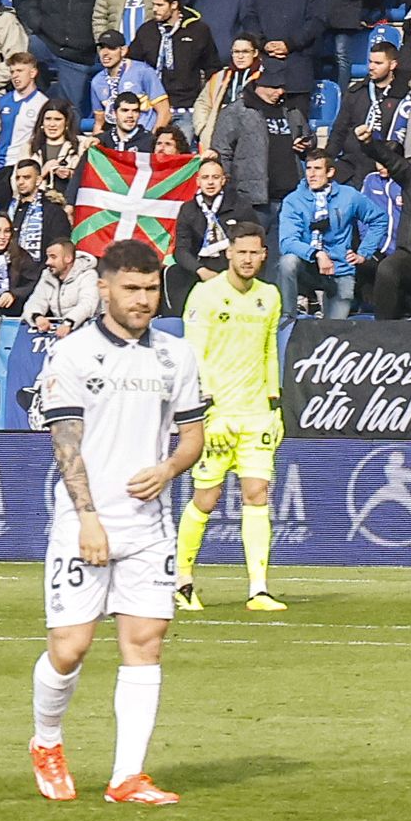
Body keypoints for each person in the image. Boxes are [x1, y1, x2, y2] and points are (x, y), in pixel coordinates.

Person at [30, 245, 207, 808]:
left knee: (145, 642)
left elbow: (193, 435)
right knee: (71, 646)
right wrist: (87, 518)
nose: (143, 300)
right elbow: (65, 444)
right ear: (104, 288)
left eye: (151, 289)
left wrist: (170, 467)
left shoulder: (176, 356)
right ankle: (47, 741)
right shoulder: (73, 354)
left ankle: (127, 775)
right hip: (86, 522)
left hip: (149, 526)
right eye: (132, 289)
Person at [171, 221, 292, 615]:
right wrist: (207, 414)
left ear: (263, 255)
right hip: (217, 413)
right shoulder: (206, 295)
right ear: (229, 253)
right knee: (206, 498)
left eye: (255, 252)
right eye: (241, 252)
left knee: (257, 494)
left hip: (256, 412)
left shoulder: (270, 297)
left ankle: (258, 589)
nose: (248, 259)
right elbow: (193, 356)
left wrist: (274, 405)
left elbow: (269, 350)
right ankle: (182, 581)